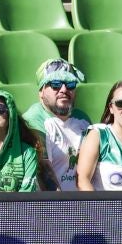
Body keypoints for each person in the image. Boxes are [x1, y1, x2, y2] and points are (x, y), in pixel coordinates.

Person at [32, 58, 94, 190]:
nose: (64, 89)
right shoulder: (34, 120)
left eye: (70, 84)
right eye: (55, 84)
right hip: (52, 204)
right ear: (41, 92)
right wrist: (62, 206)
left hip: (83, 201)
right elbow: (43, 171)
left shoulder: (82, 118)